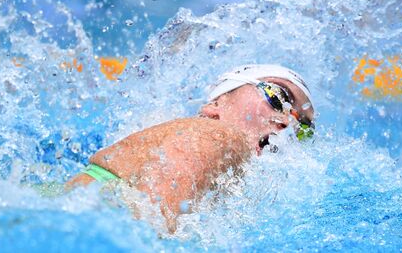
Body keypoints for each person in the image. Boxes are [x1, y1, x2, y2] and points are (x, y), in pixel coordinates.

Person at [66, 64, 315, 232]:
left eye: (303, 128)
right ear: (216, 105)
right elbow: (150, 233)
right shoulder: (218, 135)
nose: (288, 122)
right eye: (278, 97)